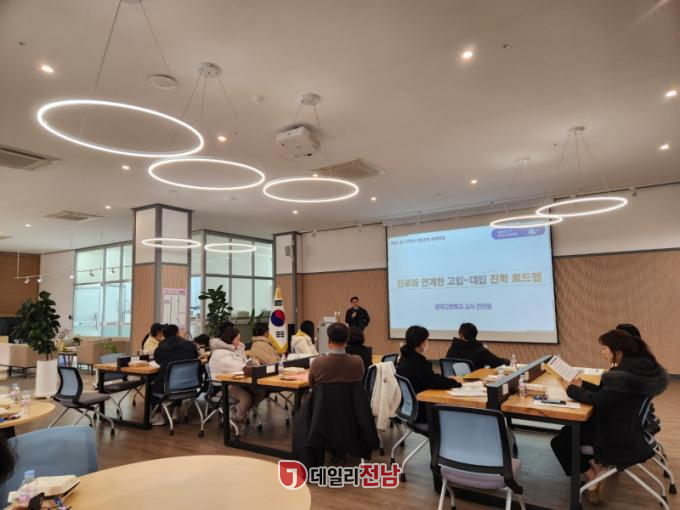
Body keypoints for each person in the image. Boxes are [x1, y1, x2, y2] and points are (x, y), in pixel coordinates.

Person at [550, 330, 669, 504]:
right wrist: (583, 384)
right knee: (568, 432)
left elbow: (598, 400)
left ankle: (592, 477)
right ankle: (597, 469)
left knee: (561, 441)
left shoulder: (623, 376)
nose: (602, 352)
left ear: (617, 352)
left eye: (604, 348)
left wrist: (570, 389)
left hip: (616, 435)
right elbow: (608, 395)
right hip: (628, 427)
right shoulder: (637, 370)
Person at [396, 325, 461, 423]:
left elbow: (429, 377)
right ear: (421, 342)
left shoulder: (405, 357)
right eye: (426, 339)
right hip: (423, 411)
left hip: (412, 409)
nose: (427, 342)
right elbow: (434, 381)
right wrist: (455, 382)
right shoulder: (416, 362)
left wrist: (446, 379)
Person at [209, 327, 264, 431]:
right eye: (238, 339)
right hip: (223, 387)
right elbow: (240, 368)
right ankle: (234, 417)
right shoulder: (220, 354)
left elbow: (243, 364)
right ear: (230, 339)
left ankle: (237, 415)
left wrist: (251, 363)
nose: (240, 342)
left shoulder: (233, 350)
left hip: (236, 382)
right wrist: (252, 366)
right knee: (247, 397)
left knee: (260, 391)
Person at [150, 324, 199, 425]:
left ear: (163, 335)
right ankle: (176, 411)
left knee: (151, 385)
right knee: (179, 377)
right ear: (177, 333)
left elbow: (158, 361)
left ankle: (158, 416)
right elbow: (195, 357)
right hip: (190, 384)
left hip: (168, 386)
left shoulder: (160, 349)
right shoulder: (190, 345)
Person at [308, 323, 364, 387]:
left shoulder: (317, 363)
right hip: (350, 394)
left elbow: (311, 384)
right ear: (347, 340)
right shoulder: (357, 362)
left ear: (329, 340)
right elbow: (360, 380)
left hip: (325, 394)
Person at [445, 322, 509, 369]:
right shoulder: (480, 350)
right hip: (472, 381)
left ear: (460, 334)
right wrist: (507, 361)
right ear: (475, 334)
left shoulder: (453, 348)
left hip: (451, 380)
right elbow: (497, 362)